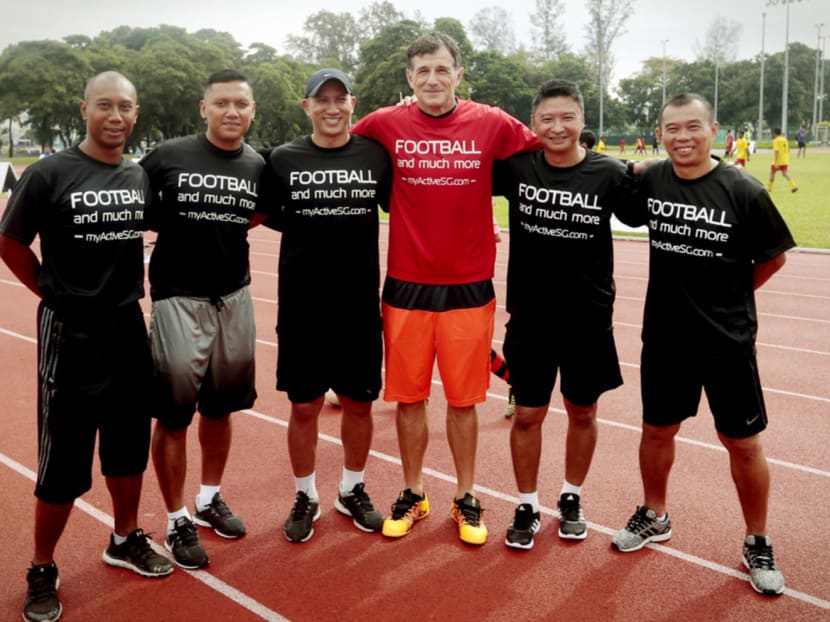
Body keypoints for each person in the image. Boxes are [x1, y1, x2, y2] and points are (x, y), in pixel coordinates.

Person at [350, 31, 539, 546]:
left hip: (469, 287)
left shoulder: (492, 122)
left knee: (463, 401)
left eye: (442, 69)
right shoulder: (384, 123)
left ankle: (465, 495)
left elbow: (550, 151)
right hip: (406, 286)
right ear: (409, 79)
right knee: (409, 400)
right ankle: (414, 491)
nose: (432, 79)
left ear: (458, 74)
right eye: (422, 71)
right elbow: (339, 148)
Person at [0, 71, 173, 622]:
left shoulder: (138, 176)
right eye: (105, 105)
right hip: (70, 332)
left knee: (127, 445)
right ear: (84, 110)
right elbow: (9, 241)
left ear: (136, 113)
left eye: (125, 106)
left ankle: (124, 538)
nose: (115, 116)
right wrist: (52, 291)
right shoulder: (49, 173)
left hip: (126, 327)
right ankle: (42, 566)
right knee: (64, 460)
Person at [611, 92, 793, 597]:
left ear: (714, 129)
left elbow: (773, 259)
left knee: (742, 441)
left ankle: (757, 539)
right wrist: (642, 165)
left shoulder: (743, 189)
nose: (683, 137)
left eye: (693, 127)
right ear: (660, 134)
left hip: (727, 342)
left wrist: (731, 296)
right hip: (665, 339)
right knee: (656, 431)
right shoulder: (653, 181)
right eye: (672, 129)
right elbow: (619, 193)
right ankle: (655, 513)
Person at [493, 79, 644, 550]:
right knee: (527, 416)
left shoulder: (609, 174)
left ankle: (572, 497)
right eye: (547, 119)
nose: (557, 127)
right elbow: (461, 177)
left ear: (582, 122)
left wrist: (649, 164)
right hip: (532, 317)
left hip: (588, 318)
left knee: (583, 411)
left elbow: (646, 207)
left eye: (567, 118)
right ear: (533, 123)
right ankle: (527, 503)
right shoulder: (516, 168)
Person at [257, 68, 392, 543]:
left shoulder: (375, 156)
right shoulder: (281, 160)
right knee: (305, 405)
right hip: (302, 306)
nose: (332, 107)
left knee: (359, 403)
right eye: (322, 99)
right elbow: (254, 213)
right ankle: (305, 494)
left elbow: (417, 207)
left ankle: (352, 488)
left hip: (357, 304)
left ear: (353, 103)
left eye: (341, 98)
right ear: (306, 106)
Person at [140, 69, 266, 569]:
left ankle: (209, 498)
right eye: (222, 103)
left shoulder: (257, 164)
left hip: (234, 298)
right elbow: (137, 204)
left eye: (241, 103)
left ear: (252, 110)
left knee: (221, 408)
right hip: (178, 299)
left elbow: (257, 213)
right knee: (173, 416)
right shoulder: (168, 155)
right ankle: (175, 519)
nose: (232, 111)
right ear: (203, 108)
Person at [767, 127, 798, 193]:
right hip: (785, 160)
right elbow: (788, 150)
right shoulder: (784, 139)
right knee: (785, 173)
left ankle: (769, 189)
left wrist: (776, 162)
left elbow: (776, 151)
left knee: (772, 173)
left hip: (778, 161)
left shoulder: (776, 140)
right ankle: (794, 186)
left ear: (775, 133)